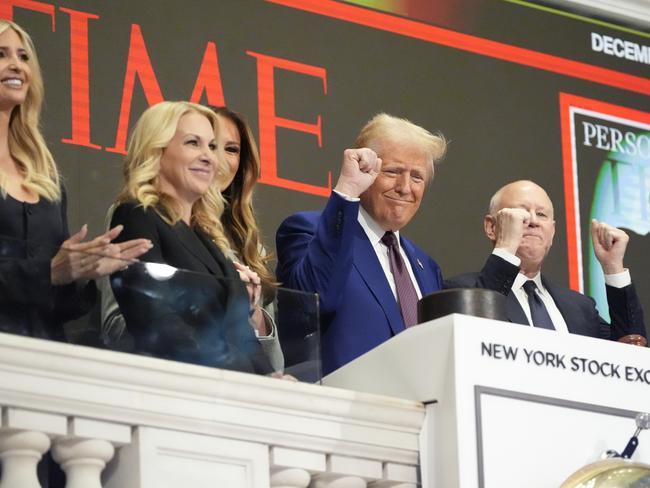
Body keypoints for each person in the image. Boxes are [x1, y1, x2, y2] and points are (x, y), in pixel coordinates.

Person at [100, 106, 283, 371]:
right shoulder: (136, 216)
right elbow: (157, 321)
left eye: (211, 146)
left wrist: (270, 380)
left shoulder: (210, 239)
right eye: (193, 143)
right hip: (176, 388)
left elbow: (240, 333)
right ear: (157, 150)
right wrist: (233, 371)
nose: (210, 157)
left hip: (226, 393)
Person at [0, 20, 150, 341]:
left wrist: (83, 272)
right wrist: (49, 272)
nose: (16, 65)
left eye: (24, 57)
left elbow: (59, 300)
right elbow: (46, 273)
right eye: (1, 54)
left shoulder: (47, 181)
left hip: (42, 358)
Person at [276, 113, 447, 375]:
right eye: (393, 172)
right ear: (365, 169)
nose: (405, 187)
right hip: (338, 407)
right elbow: (315, 303)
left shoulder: (427, 268)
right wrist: (347, 190)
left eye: (417, 177)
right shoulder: (309, 231)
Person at [446, 180, 646, 340]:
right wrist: (506, 248)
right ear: (491, 227)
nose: (533, 221)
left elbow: (630, 349)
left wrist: (613, 267)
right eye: (522, 212)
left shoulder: (580, 307)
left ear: (552, 231)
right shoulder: (461, 292)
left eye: (541, 214)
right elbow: (472, 340)